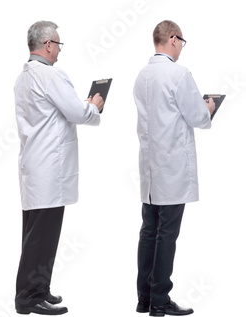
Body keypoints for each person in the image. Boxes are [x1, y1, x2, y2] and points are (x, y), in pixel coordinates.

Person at [14, 21, 104, 315]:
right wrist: (94, 105)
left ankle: (39, 288)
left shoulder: (23, 77)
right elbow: (77, 112)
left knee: (39, 234)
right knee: (41, 236)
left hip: (35, 164)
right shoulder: (50, 75)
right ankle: (27, 298)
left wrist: (82, 105)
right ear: (49, 44)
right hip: (48, 168)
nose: (59, 52)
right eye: (59, 45)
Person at [133, 20, 215, 316]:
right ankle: (160, 300)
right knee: (166, 234)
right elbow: (197, 117)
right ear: (171, 38)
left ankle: (144, 298)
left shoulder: (142, 75)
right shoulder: (179, 74)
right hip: (172, 169)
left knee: (148, 231)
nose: (181, 46)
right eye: (180, 41)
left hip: (151, 170)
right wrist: (209, 109)